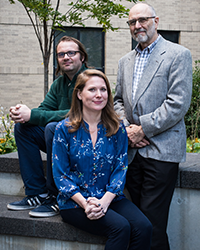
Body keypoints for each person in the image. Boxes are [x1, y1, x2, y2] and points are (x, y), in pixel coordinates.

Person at [114, 2, 192, 250]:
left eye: (142, 20)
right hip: (131, 151)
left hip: (162, 150)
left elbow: (178, 103)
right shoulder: (125, 60)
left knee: (152, 222)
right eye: (132, 22)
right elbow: (116, 101)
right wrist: (127, 129)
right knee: (137, 220)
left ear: (156, 21)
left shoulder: (178, 54)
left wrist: (142, 129)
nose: (137, 26)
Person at [52, 69, 152, 250]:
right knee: (120, 228)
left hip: (109, 197)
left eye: (103, 90)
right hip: (74, 202)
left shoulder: (117, 127)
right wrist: (85, 204)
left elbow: (120, 168)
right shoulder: (63, 129)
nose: (99, 95)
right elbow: (60, 175)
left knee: (144, 227)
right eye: (92, 90)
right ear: (79, 94)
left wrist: (104, 202)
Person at [7, 36, 89, 218]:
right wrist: (23, 114)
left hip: (86, 143)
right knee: (24, 128)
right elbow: (44, 109)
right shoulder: (59, 83)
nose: (66, 57)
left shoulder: (90, 80)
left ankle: (56, 195)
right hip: (62, 140)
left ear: (82, 57)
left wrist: (34, 115)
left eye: (71, 53)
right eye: (61, 54)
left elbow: (78, 113)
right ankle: (37, 193)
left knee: (53, 128)